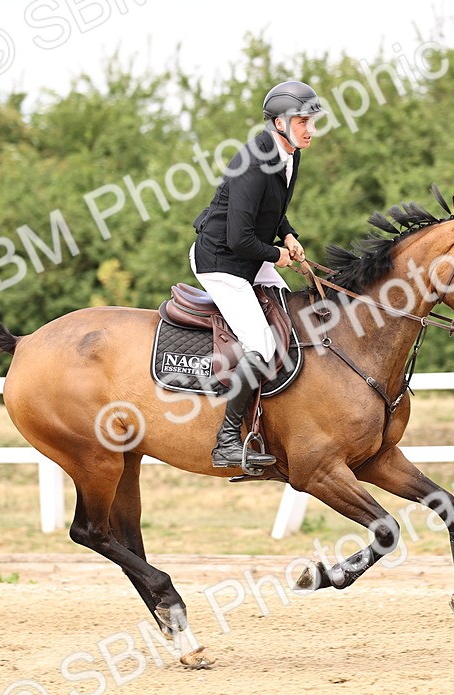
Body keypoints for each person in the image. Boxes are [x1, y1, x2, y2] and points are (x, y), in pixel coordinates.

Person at [190, 80, 325, 471]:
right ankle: (227, 441)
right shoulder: (252, 162)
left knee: (293, 323)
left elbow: (273, 209)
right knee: (263, 347)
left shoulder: (289, 154)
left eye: (312, 121)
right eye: (303, 121)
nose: (310, 129)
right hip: (222, 261)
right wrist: (279, 256)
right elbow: (240, 237)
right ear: (280, 123)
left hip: (250, 255)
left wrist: (288, 234)